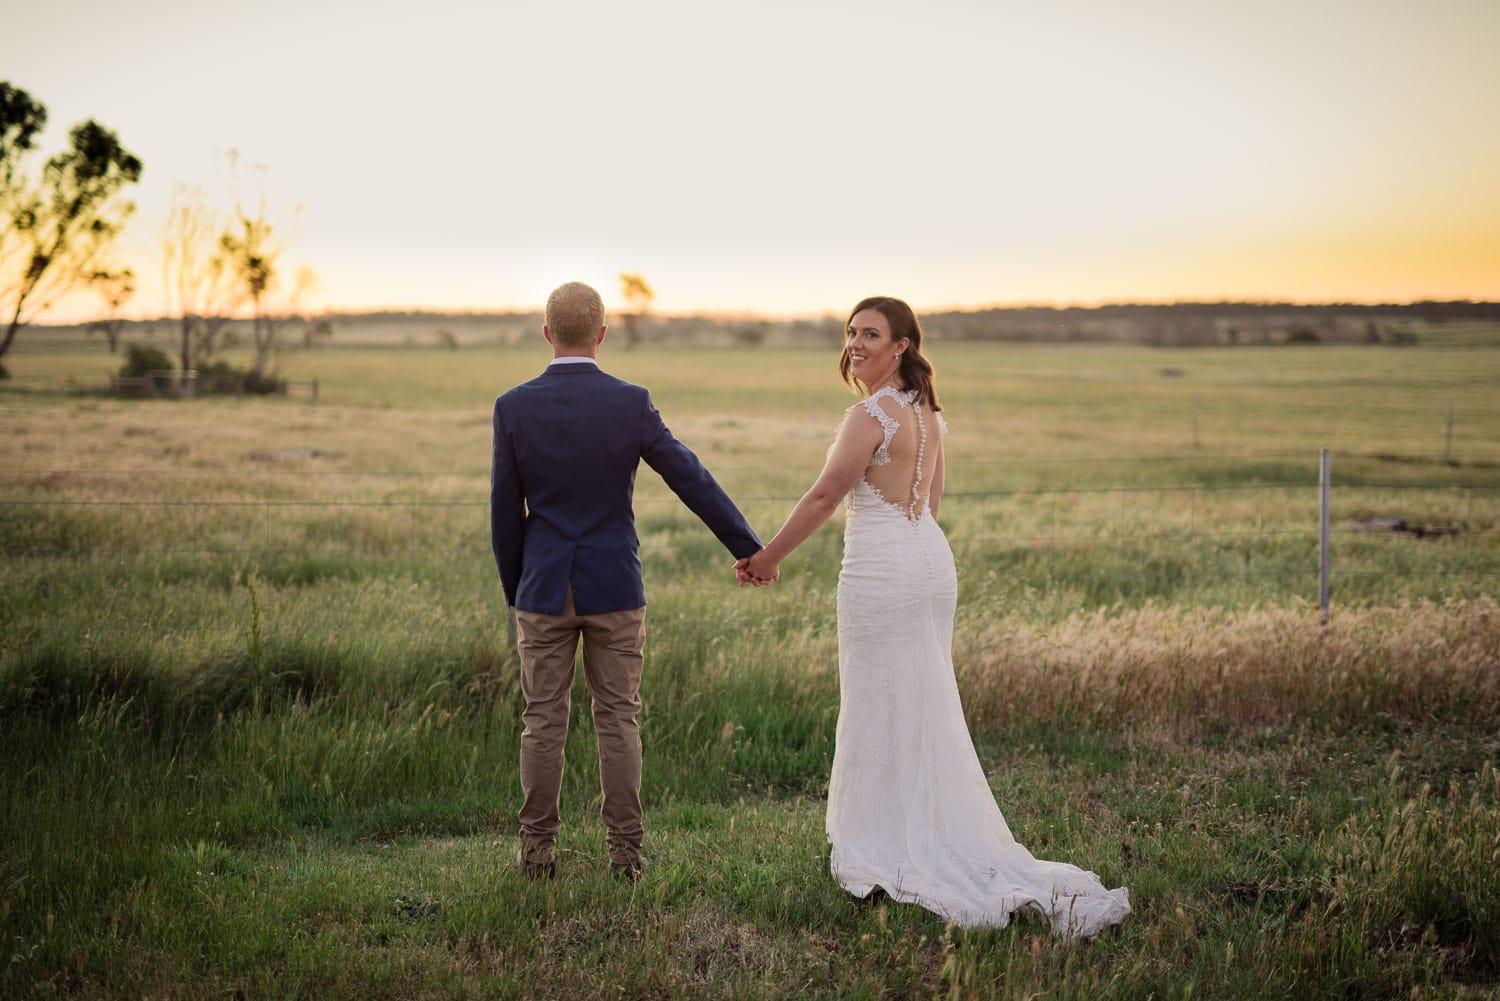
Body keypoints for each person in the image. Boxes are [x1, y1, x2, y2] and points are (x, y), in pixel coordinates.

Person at [736, 296, 1130, 938]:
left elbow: (825, 495)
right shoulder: (924, 409)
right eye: (851, 332)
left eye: (871, 334)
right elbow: (934, 496)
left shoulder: (869, 415)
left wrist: (768, 556)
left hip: (883, 571)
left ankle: (893, 845)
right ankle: (912, 828)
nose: (856, 343)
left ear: (901, 346)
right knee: (917, 701)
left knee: (879, 702)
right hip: (926, 559)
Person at [491, 281, 765, 881]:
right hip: (614, 583)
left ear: (546, 333)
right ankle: (626, 857)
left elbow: (504, 509)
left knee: (542, 719)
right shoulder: (630, 401)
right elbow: (689, 476)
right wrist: (749, 548)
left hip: (543, 589)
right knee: (618, 718)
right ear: (602, 335)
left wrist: (520, 589)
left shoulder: (512, 406)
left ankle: (536, 855)